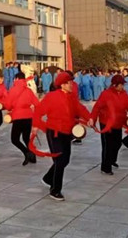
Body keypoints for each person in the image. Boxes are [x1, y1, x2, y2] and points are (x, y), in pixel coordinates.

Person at [33, 72, 92, 201]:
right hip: (54, 132)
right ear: (62, 84)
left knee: (65, 160)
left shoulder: (71, 97)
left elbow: (80, 109)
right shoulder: (51, 97)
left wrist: (89, 118)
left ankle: (48, 178)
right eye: (69, 82)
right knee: (59, 160)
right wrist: (36, 125)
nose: (71, 84)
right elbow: (38, 111)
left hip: (67, 132)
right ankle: (55, 190)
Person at [91, 74, 128, 175]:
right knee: (108, 146)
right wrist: (93, 119)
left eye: (123, 84)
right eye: (121, 84)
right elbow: (97, 107)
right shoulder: (106, 94)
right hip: (106, 123)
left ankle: (112, 160)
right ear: (115, 85)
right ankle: (105, 167)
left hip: (118, 122)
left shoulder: (124, 94)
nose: (122, 86)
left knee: (117, 143)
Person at [4, 72, 39, 165]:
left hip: (18, 117)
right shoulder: (28, 90)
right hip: (28, 117)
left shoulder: (13, 90)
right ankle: (32, 156)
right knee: (26, 138)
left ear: (16, 79)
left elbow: (8, 105)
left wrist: (9, 108)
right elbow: (37, 103)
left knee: (15, 139)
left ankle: (27, 153)